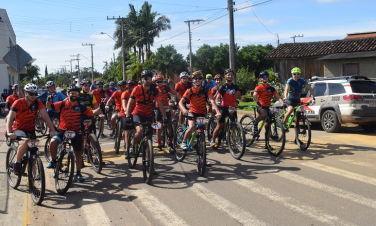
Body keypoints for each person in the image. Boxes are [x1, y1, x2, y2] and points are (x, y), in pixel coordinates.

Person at [46, 85, 100, 182]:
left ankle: (78, 173)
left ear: (78, 95)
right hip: (63, 130)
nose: (74, 95)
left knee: (78, 153)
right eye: (72, 93)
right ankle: (54, 161)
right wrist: (49, 100)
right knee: (52, 143)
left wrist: (99, 109)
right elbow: (49, 107)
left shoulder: (81, 106)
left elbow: (91, 113)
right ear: (69, 94)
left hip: (76, 131)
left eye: (76, 93)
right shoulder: (62, 104)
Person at [7, 83, 56, 176]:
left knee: (33, 153)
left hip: (30, 130)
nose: (34, 96)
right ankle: (17, 162)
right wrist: (9, 132)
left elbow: (45, 116)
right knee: (25, 143)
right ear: (25, 93)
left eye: (35, 94)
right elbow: (10, 118)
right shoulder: (18, 102)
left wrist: (52, 129)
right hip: (19, 129)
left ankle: (33, 179)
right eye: (31, 94)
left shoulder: (38, 103)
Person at [125, 70, 168, 159]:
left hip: (148, 115)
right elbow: (129, 102)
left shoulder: (154, 90)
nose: (148, 80)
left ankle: (149, 164)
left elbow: (160, 104)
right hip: (138, 114)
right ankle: (132, 145)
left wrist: (164, 117)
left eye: (149, 78)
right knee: (140, 130)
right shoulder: (137, 88)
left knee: (148, 138)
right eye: (145, 78)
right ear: (142, 79)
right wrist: (128, 116)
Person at [179, 71, 221, 150]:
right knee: (192, 127)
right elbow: (180, 102)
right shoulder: (189, 91)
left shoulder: (206, 90)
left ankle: (199, 147)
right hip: (192, 112)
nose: (197, 80)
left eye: (199, 78)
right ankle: (183, 142)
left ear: (202, 80)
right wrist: (184, 109)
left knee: (202, 130)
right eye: (195, 78)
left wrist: (218, 112)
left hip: (202, 113)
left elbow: (212, 100)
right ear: (193, 80)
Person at [253, 71, 285, 149]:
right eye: (263, 77)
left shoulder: (271, 88)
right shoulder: (259, 87)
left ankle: (267, 144)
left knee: (268, 126)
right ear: (260, 79)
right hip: (261, 106)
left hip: (268, 107)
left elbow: (278, 97)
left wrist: (283, 103)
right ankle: (255, 122)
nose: (265, 78)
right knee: (264, 114)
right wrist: (258, 102)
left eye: (266, 76)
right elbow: (254, 95)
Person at [210, 68, 241, 148]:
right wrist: (218, 104)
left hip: (232, 108)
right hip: (223, 107)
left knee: (234, 126)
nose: (230, 76)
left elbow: (239, 96)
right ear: (225, 76)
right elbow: (218, 97)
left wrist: (234, 94)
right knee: (219, 125)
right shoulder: (223, 86)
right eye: (228, 75)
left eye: (231, 75)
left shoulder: (235, 86)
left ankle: (234, 145)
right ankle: (212, 140)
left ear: (233, 76)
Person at [154, 75, 177, 151]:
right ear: (155, 82)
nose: (159, 83)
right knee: (158, 126)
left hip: (166, 107)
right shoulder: (154, 89)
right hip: (158, 108)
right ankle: (159, 144)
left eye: (161, 81)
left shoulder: (166, 88)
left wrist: (177, 101)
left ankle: (170, 142)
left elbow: (175, 92)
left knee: (169, 125)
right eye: (158, 82)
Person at [120, 79, 138, 157]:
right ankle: (127, 149)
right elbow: (124, 104)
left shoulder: (137, 93)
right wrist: (126, 110)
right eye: (134, 87)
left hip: (135, 112)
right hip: (125, 113)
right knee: (127, 130)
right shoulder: (125, 93)